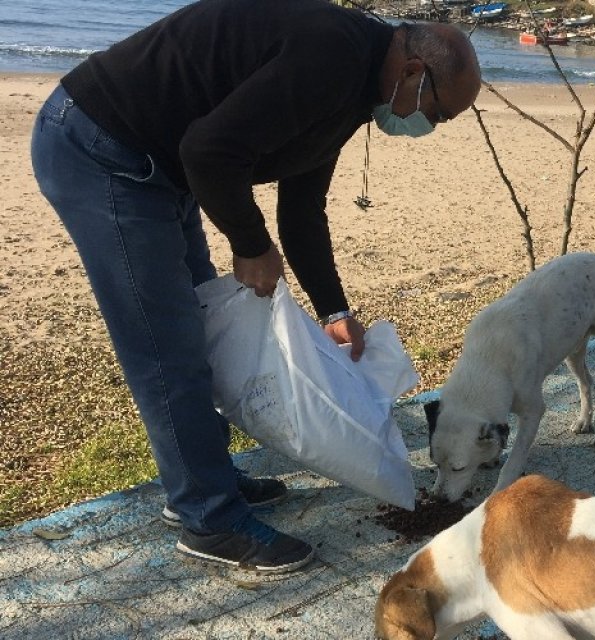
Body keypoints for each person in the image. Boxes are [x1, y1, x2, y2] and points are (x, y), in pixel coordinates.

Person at [30, 0, 481, 573]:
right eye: (438, 116)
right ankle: (208, 520)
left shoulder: (360, 83)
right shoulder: (331, 58)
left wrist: (333, 308)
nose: (428, 129)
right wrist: (249, 243)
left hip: (163, 166)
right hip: (101, 147)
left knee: (204, 325)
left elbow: (302, 203)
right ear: (415, 73)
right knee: (167, 347)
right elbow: (209, 149)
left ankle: (204, 476)